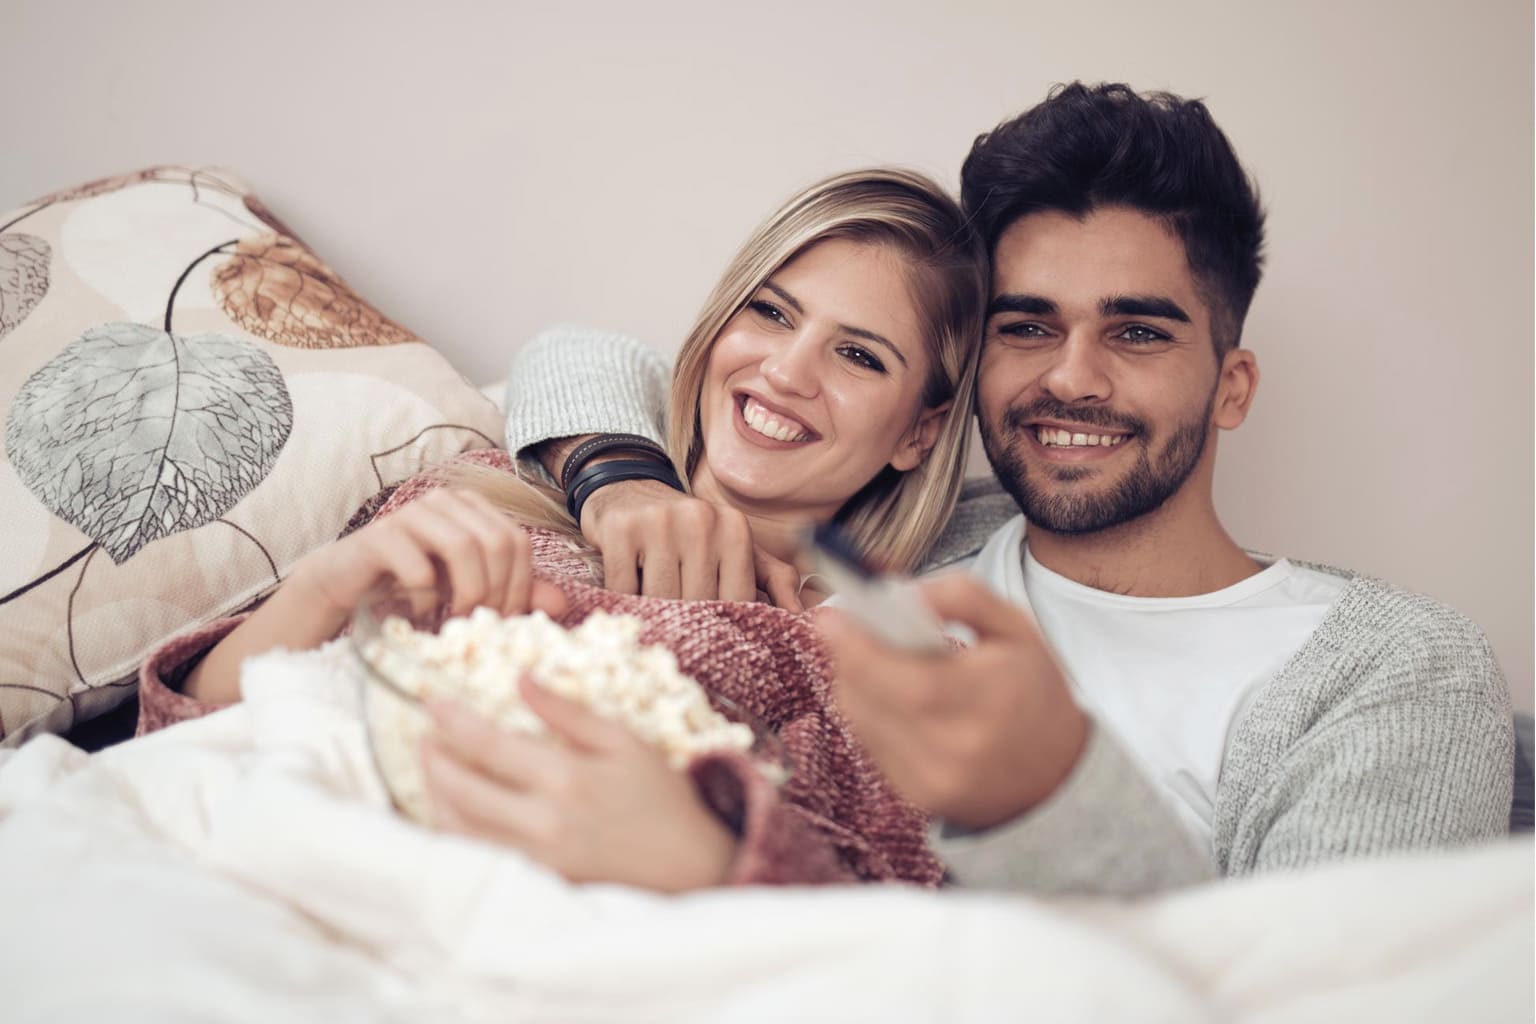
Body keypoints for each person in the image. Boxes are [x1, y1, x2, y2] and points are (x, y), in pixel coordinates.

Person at [498, 83, 1515, 896]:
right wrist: (617, 475)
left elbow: (1322, 1002)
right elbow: (590, 356)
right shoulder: (904, 539)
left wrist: (1051, 793)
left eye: (1138, 331)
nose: (1071, 377)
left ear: (1232, 384)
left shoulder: (1391, 666)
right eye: (1028, 326)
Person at [136, 167, 988, 892]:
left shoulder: (881, 660)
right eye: (770, 312)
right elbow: (178, 741)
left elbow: (879, 921)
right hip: (261, 865)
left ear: (921, 430)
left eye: (859, 355)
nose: (787, 370)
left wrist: (699, 846)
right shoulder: (492, 492)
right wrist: (322, 586)